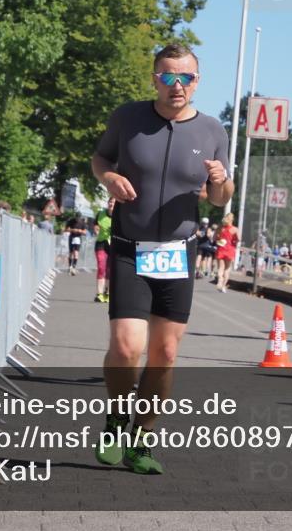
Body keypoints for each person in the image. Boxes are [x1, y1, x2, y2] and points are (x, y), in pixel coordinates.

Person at [91, 42, 233, 473]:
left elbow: (219, 198)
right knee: (125, 345)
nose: (176, 85)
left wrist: (221, 181)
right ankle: (116, 420)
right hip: (131, 248)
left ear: (196, 81)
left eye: (185, 77)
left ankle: (142, 440)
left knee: (165, 353)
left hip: (177, 254)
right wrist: (110, 176)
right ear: (154, 78)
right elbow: (100, 158)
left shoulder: (212, 130)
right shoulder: (128, 117)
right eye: (168, 76)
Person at [94, 199, 114, 303]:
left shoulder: (119, 215)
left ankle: (107, 293)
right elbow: (95, 225)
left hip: (113, 245)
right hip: (101, 243)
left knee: (110, 270)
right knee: (101, 267)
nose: (111, 204)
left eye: (114, 203)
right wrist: (96, 229)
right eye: (110, 202)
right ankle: (99, 294)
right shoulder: (101, 214)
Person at [215, 213, 238, 292]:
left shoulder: (220, 228)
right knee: (227, 269)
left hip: (221, 249)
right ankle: (224, 286)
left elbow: (215, 238)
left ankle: (220, 280)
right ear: (232, 219)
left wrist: (220, 239)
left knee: (220, 267)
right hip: (230, 250)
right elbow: (238, 239)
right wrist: (234, 240)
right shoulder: (235, 229)